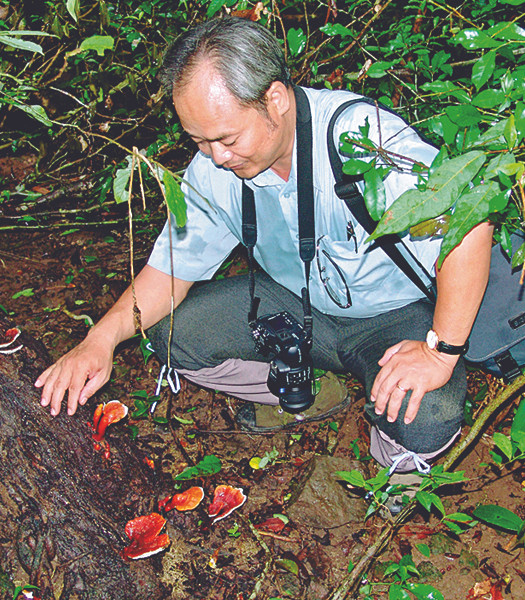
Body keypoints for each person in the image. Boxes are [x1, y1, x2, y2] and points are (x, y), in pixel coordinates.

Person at [35, 16, 492, 480]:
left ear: (274, 100)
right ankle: (313, 388)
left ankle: (392, 472)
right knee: (173, 332)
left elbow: (469, 220)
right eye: (199, 141)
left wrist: (439, 351)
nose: (216, 157)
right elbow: (170, 270)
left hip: (394, 317)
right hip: (296, 307)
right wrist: (100, 340)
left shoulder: (360, 139)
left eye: (226, 138)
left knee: (426, 414)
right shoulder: (215, 171)